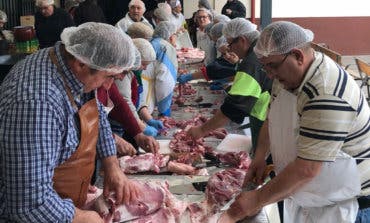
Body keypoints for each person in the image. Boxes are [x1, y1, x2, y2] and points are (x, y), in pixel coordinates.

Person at [219, 21, 370, 223]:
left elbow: (306, 169)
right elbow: (271, 118)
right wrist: (260, 156)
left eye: (272, 66)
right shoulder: (287, 76)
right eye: (265, 68)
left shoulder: (326, 93)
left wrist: (255, 200)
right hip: (311, 189)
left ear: (297, 55)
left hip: (345, 201)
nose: (270, 75)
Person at [0, 22, 140, 222]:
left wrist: (111, 166)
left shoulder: (69, 64)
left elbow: (96, 111)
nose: (108, 86)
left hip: (60, 203)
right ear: (81, 63)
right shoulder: (38, 104)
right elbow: (28, 204)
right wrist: (84, 218)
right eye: (108, 77)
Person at [187, 18, 272, 152]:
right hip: (267, 114)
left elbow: (233, 108)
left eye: (230, 44)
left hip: (265, 119)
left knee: (263, 159)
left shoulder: (251, 62)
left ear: (242, 40)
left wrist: (201, 130)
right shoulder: (261, 50)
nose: (229, 49)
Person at [140, 21, 178, 117]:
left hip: (140, 94)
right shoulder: (166, 47)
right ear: (171, 36)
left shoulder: (152, 43)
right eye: (176, 34)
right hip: (146, 97)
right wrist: (164, 109)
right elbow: (166, 81)